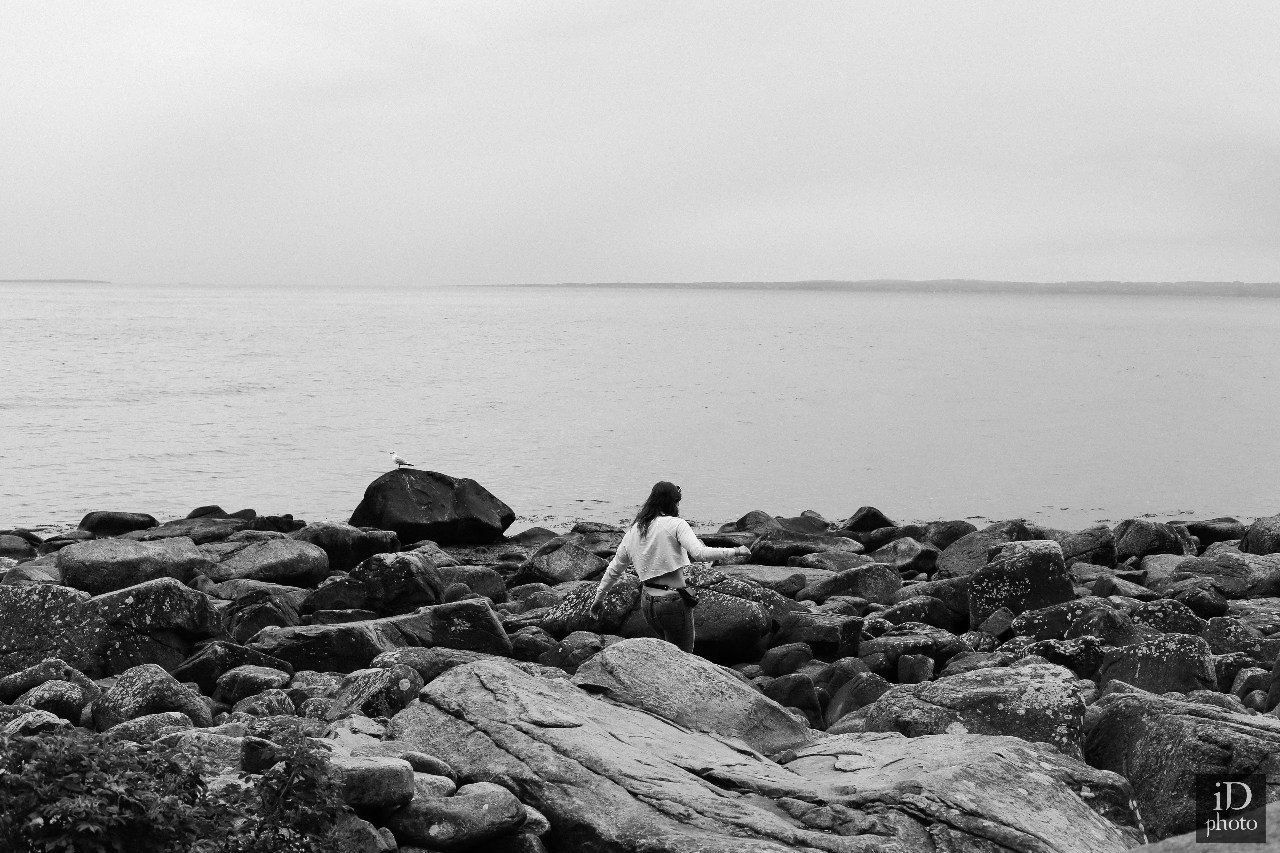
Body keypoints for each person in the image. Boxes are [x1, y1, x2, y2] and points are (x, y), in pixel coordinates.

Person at [588, 481, 750, 652]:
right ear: (672, 503)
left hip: (648, 603)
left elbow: (614, 569)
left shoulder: (634, 530)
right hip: (671, 603)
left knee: (669, 653)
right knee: (683, 656)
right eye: (677, 502)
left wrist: (599, 599)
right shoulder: (676, 524)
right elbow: (700, 553)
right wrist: (737, 550)